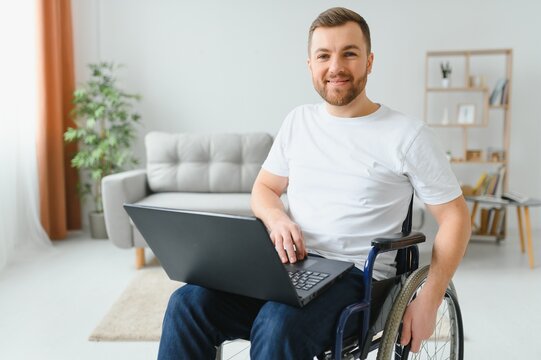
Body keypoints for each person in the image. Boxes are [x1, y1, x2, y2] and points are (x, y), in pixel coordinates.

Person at [158, 7, 470, 359]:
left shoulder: (407, 135)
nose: (335, 67)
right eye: (324, 55)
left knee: (277, 325)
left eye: (349, 53)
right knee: (187, 303)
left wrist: (428, 299)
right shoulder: (298, 122)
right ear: (310, 65)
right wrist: (277, 219)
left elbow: (456, 218)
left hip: (359, 280)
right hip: (290, 267)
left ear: (369, 61)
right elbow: (263, 189)